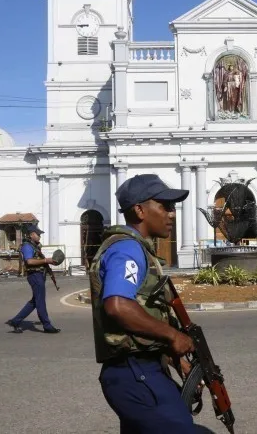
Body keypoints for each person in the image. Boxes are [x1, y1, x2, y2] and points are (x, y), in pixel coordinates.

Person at [89, 174, 197, 433]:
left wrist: (173, 358)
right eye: (164, 206)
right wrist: (173, 336)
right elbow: (117, 305)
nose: (172, 214)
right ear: (139, 210)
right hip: (134, 371)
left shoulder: (136, 249)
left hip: (140, 368)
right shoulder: (127, 250)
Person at [6, 224, 60, 334]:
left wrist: (49, 262)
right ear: (31, 235)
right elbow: (29, 261)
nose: (40, 236)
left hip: (39, 275)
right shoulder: (27, 246)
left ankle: (16, 321)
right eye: (38, 234)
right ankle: (47, 325)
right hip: (35, 275)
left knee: (35, 301)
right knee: (40, 302)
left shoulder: (34, 246)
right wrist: (46, 261)